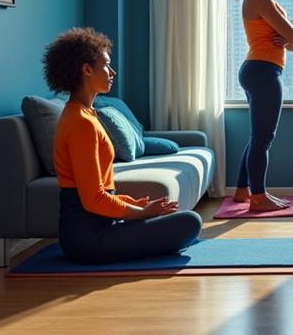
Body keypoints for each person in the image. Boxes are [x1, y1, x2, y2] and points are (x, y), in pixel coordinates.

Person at [43, 27, 202, 263]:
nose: (112, 71)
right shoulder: (81, 123)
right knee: (191, 222)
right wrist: (143, 213)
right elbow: (93, 199)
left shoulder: (83, 114)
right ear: (86, 70)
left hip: (94, 229)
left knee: (180, 221)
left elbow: (100, 190)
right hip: (88, 239)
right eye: (106, 65)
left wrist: (135, 204)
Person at [232, 0, 293, 211]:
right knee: (264, 137)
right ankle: (258, 197)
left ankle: (242, 190)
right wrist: (291, 39)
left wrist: (291, 40)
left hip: (257, 69)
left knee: (257, 135)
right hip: (263, 71)